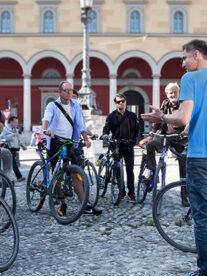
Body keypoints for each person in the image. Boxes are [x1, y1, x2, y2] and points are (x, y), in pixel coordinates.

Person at [141, 39, 207, 276]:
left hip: (201, 156)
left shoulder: (191, 80)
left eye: (185, 57)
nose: (183, 63)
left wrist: (163, 117)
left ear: (197, 55)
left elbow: (183, 118)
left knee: (202, 216)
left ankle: (206, 272)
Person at [42, 81, 101, 215]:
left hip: (70, 142)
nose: (69, 93)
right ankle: (63, 203)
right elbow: (47, 118)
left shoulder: (75, 105)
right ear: (60, 92)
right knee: (56, 174)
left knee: (75, 173)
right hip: (55, 141)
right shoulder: (52, 105)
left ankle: (85, 205)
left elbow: (80, 123)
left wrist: (86, 139)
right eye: (66, 90)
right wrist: (45, 130)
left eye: (70, 90)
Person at [141, 82, 189, 206]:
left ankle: (185, 199)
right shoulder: (165, 103)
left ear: (179, 93)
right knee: (150, 145)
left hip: (181, 138)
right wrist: (153, 133)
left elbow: (190, 119)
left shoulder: (185, 104)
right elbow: (158, 119)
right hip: (167, 136)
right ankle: (152, 175)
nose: (171, 95)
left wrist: (185, 132)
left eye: (174, 92)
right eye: (169, 92)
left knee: (183, 168)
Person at [102, 93, 139, 203]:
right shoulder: (111, 116)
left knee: (130, 170)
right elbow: (106, 128)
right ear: (115, 103)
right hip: (116, 146)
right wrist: (105, 134)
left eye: (123, 101)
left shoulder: (132, 115)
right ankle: (121, 192)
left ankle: (131, 193)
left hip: (128, 145)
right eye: (118, 102)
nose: (121, 103)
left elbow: (137, 130)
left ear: (126, 102)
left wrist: (133, 141)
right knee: (118, 170)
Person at [0, 116, 26, 182]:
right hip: (8, 148)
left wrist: (22, 145)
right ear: (11, 122)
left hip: (15, 149)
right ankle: (18, 177)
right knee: (13, 163)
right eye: (15, 122)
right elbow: (2, 138)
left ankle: (9, 178)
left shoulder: (16, 129)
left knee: (12, 164)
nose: (16, 124)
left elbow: (18, 139)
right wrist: (11, 136)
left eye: (17, 122)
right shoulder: (6, 129)